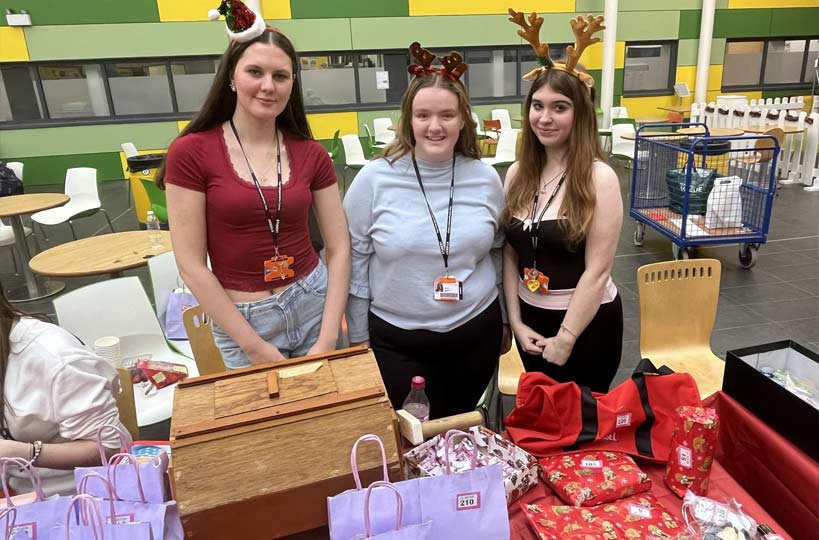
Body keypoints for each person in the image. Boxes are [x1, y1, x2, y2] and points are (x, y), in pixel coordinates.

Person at [157, 2, 350, 369]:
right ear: (231, 76)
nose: (268, 86)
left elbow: (339, 248)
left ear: (293, 84)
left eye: (281, 76)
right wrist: (253, 346)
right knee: (265, 425)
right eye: (255, 72)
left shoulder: (311, 153)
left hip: (312, 302)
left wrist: (328, 338)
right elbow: (191, 265)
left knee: (322, 421)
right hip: (241, 320)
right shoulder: (191, 152)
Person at [344, 42, 509, 419]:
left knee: (461, 430)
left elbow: (497, 251)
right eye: (423, 115)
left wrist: (501, 317)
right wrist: (357, 337)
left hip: (475, 334)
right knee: (411, 437)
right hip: (397, 342)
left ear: (464, 119)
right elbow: (355, 259)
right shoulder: (374, 179)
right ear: (408, 120)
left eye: (447, 115)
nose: (435, 126)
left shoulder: (485, 179)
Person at [503, 11, 623, 392]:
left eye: (559, 107)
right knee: (544, 422)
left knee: (581, 430)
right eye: (537, 106)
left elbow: (598, 271)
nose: (545, 118)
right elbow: (510, 254)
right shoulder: (518, 173)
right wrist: (517, 322)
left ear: (580, 113)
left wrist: (566, 338)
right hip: (531, 327)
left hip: (586, 329)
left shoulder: (598, 178)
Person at [0, 289, 125, 496]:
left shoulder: (53, 357)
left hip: (89, 495)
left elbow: (108, 447)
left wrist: (20, 451)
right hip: (23, 499)